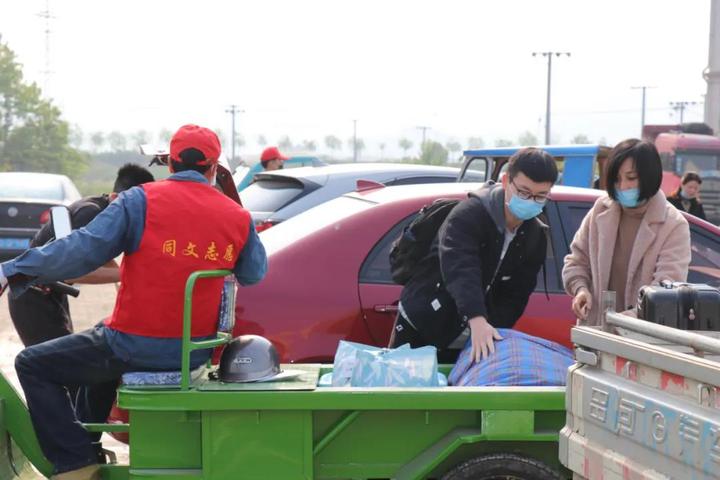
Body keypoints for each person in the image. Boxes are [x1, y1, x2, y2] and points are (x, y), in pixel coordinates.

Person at [0, 124, 267, 480]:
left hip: (132, 344)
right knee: (99, 337)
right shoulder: (236, 216)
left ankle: (76, 464)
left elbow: (78, 252)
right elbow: (253, 274)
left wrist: (12, 270)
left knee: (33, 364)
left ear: (170, 164)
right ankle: (89, 442)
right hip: (195, 352)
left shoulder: (139, 200)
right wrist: (233, 207)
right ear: (214, 169)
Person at [390, 148, 559, 363]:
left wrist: (492, 328)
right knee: (409, 391)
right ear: (506, 181)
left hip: (473, 336)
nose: (530, 201)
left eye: (540, 196)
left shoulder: (535, 235)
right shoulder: (470, 214)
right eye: (524, 192)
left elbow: (517, 294)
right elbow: (460, 268)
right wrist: (476, 317)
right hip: (424, 319)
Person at [8, 164, 155, 347]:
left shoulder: (107, 213)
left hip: (54, 295)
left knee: (61, 359)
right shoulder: (91, 212)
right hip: (32, 297)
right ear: (117, 198)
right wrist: (130, 274)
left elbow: (105, 259)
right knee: (54, 365)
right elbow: (70, 271)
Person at [563, 139, 691, 326]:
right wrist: (581, 290)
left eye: (631, 178)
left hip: (640, 339)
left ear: (649, 176)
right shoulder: (601, 209)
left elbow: (665, 292)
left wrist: (622, 320)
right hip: (595, 334)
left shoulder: (673, 225)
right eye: (616, 179)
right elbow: (576, 261)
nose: (623, 186)